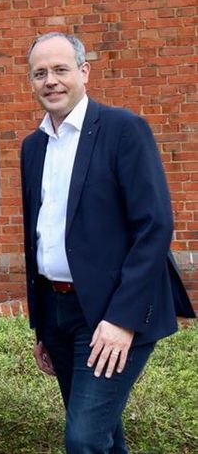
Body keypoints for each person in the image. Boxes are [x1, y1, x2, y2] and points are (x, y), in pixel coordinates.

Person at [21, 32, 194, 453]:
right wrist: (43, 325)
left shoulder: (122, 129)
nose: (51, 81)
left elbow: (154, 226)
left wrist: (123, 320)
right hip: (57, 310)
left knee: (84, 439)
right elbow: (39, 235)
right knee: (103, 436)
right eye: (40, 73)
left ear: (84, 72)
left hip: (110, 311)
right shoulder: (33, 146)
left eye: (61, 70)